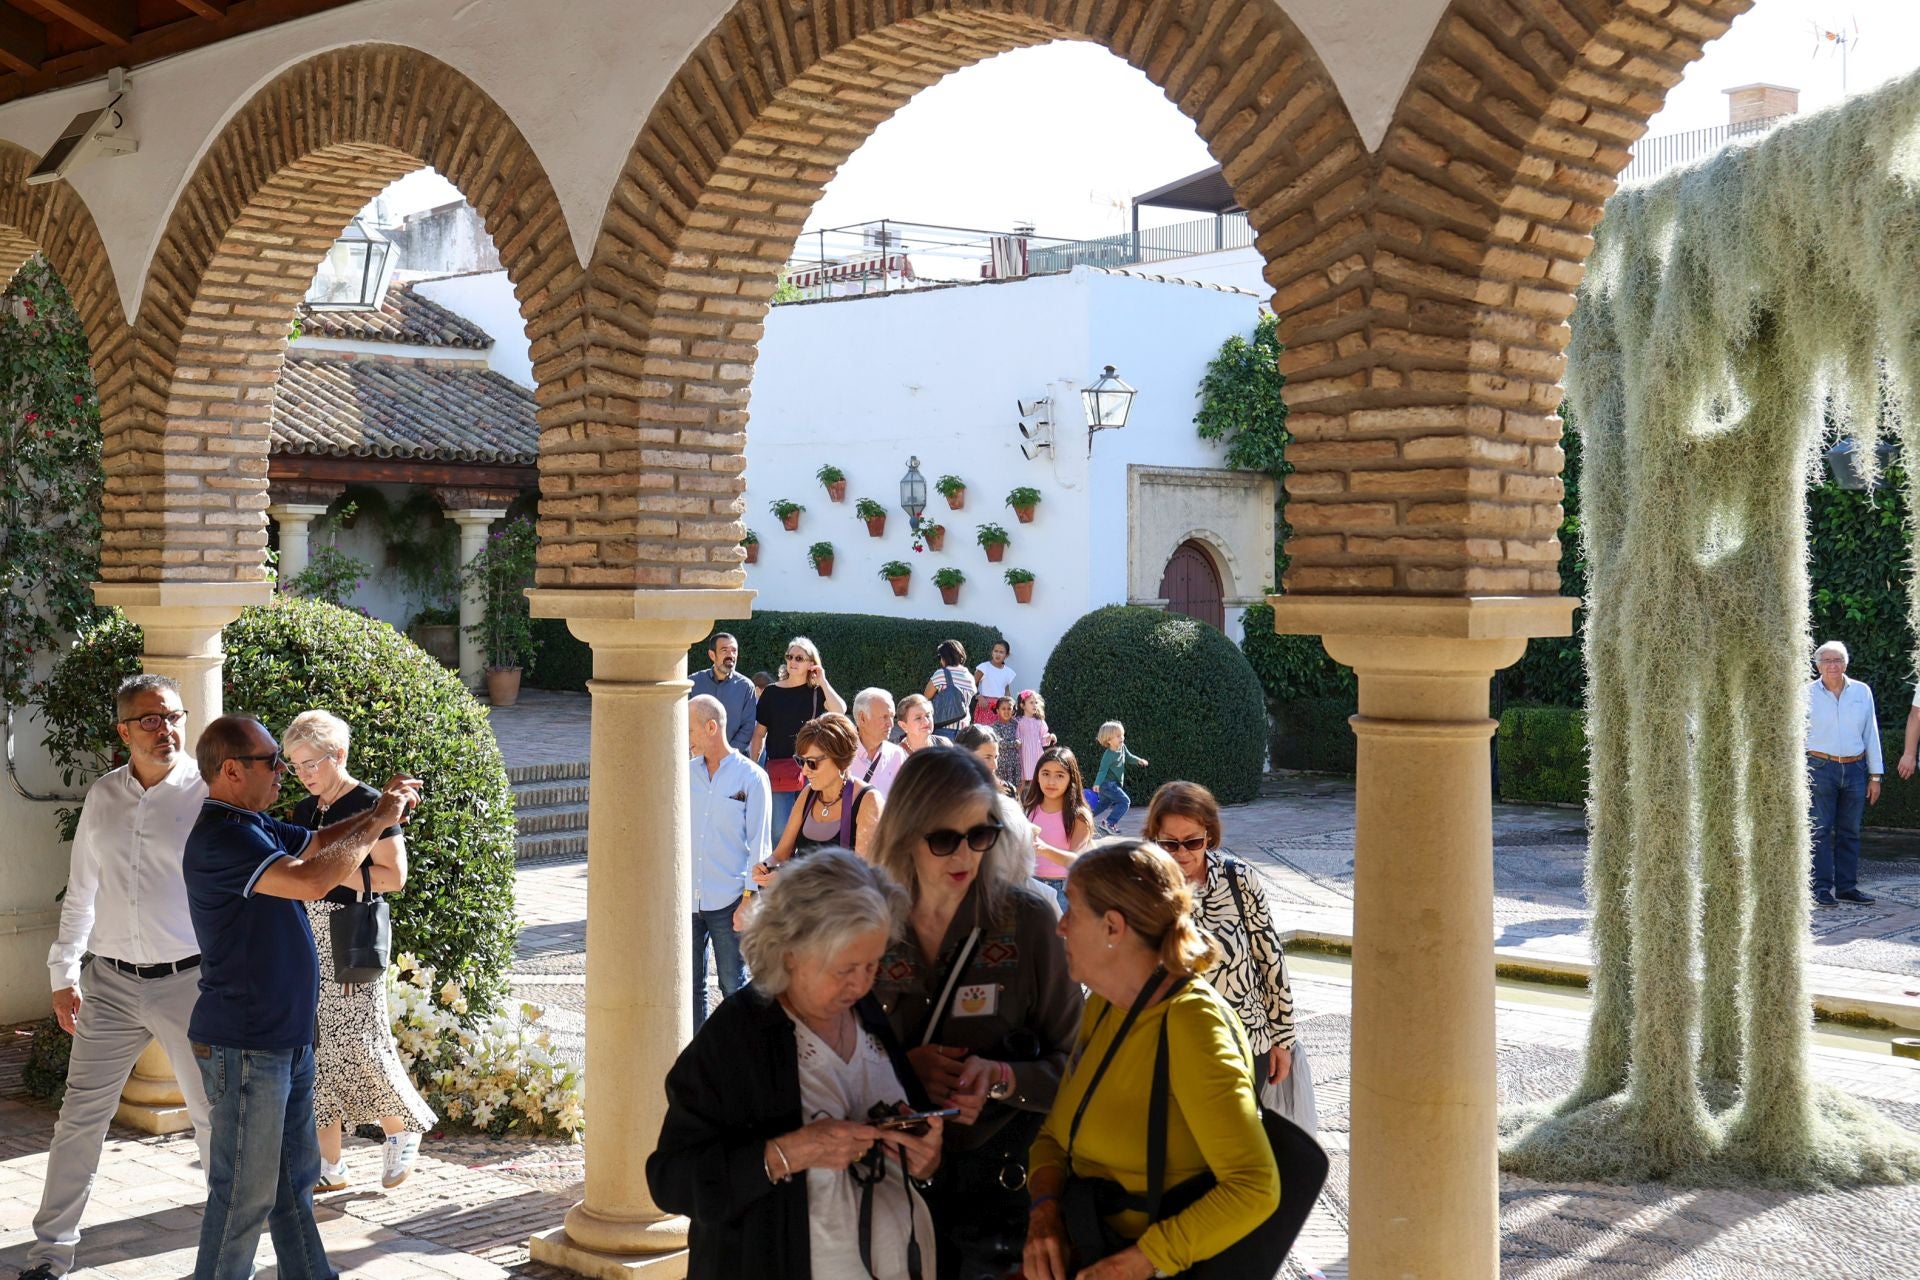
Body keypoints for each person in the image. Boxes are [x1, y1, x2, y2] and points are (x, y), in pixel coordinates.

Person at [182, 714, 420, 1280]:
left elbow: (318, 840)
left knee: (293, 1190)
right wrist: (379, 822)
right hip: (246, 1041)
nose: (284, 772)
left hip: (285, 1038)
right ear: (233, 770)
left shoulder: (255, 822)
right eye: (273, 762)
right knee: (244, 1195)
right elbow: (312, 879)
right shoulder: (224, 835)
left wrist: (376, 812)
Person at [647, 849, 945, 1280]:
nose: (861, 983)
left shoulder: (869, 1015)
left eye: (872, 965)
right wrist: (786, 1154)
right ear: (790, 952)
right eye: (845, 969)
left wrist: (925, 1158)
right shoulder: (739, 1033)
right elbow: (671, 1180)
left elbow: (916, 1147)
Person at [21, 675, 213, 1280]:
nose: (167, 730)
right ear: (124, 730)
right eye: (151, 720)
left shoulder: (208, 794)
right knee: (79, 1118)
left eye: (174, 716)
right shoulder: (103, 796)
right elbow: (82, 890)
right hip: (107, 982)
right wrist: (63, 970)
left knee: (214, 1116)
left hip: (189, 983)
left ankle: (227, 1251)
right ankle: (50, 1254)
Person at [869, 749, 1083, 1280]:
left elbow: (1082, 1070)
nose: (965, 854)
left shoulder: (1030, 921)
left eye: (981, 834)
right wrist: (902, 1071)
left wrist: (1004, 1078)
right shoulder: (865, 925)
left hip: (1001, 1200)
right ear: (904, 835)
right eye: (944, 839)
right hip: (887, 1189)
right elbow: (820, 1059)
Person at [1024, 841, 1280, 1280]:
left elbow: (1255, 1187)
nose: (1061, 926)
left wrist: (1138, 1263)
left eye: (1073, 911)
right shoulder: (1105, 1004)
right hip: (1088, 1245)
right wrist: (1044, 1211)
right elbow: (1055, 1136)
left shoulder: (1192, 1024)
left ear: (1113, 927)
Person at [282, 711, 436, 1196]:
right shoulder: (305, 811)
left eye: (311, 763)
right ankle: (329, 1164)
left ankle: (401, 1126)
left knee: (361, 1041)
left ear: (339, 756)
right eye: (294, 766)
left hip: (350, 937)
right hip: (307, 936)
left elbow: (394, 877)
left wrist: (326, 870)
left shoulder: (373, 803)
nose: (303, 774)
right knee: (314, 1049)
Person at [1142, 782, 1297, 1098]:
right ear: (1154, 839)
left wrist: (1283, 1037)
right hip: (1171, 1046)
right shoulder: (1142, 888)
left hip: (1245, 1041)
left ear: (1209, 836)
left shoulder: (1239, 879)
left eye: (1193, 841)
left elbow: (1269, 956)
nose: (1182, 852)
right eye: (1170, 844)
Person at [688, 694, 772, 1030]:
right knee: (689, 988)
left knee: (732, 986)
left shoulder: (751, 777)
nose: (686, 738)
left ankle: (740, 1057)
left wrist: (749, 900)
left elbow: (760, 844)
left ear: (711, 727)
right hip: (688, 900)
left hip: (730, 901)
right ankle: (695, 1057)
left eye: (690, 729)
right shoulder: (683, 773)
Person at [759, 713, 883, 877]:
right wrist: (767, 866)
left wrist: (791, 879)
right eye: (801, 761)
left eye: (811, 762)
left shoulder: (868, 800)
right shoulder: (808, 794)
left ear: (838, 758)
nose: (804, 770)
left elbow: (861, 877)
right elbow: (780, 855)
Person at [1806, 640, 1881, 907]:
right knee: (1820, 830)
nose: (1833, 665)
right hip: (1820, 768)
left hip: (1855, 769)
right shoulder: (1805, 694)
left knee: (1850, 831)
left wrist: (1875, 775)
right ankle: (1821, 888)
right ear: (1818, 666)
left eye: (1838, 660)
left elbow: (1870, 733)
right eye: (1827, 660)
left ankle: (1847, 887)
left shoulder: (1862, 691)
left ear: (1845, 664)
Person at [754, 638, 847, 838]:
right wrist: (754, 766)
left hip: (812, 767)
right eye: (789, 657)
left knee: (808, 824)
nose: (792, 662)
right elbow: (759, 734)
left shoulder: (816, 691)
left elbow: (840, 711)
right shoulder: (771, 693)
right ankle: (780, 868)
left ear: (810, 663)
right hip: (779, 768)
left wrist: (822, 680)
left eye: (799, 658)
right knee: (780, 829)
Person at [1022, 746, 1094, 912]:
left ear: (1071, 779)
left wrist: (1044, 849)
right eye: (1045, 773)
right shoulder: (1029, 809)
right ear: (1037, 777)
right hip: (1030, 884)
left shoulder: (1079, 816)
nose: (1051, 781)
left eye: (1060, 775)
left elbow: (1077, 861)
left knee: (1060, 938)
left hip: (1063, 890)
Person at [691, 631, 758, 755]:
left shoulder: (746, 687)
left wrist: (726, 754)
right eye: (724, 650)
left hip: (732, 760)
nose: (730, 655)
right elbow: (684, 722)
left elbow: (748, 727)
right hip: (697, 760)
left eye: (734, 650)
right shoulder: (693, 683)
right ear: (712, 655)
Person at [1089, 721, 1149, 835]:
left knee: (1103, 804)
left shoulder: (1122, 748)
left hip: (1113, 784)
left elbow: (1129, 757)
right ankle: (1109, 823)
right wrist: (1097, 783)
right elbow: (1102, 770)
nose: (1121, 738)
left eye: (1122, 735)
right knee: (1125, 801)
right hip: (1107, 784)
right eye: (1118, 736)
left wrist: (1139, 760)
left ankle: (1084, 818)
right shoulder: (1108, 755)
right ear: (1109, 740)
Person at [850, 687, 909, 796]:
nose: (891, 724)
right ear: (862, 718)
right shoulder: (840, 755)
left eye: (892, 717)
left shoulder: (897, 755)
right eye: (884, 717)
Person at [925, 640, 977, 742]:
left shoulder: (941, 674)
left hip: (942, 727)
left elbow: (925, 697)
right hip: (964, 731)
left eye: (940, 656)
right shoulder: (969, 676)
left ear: (945, 657)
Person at [954, 723, 1018, 798]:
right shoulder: (948, 794)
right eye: (987, 757)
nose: (995, 766)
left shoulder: (1008, 792)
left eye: (996, 757)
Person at [1014, 689, 1055, 783]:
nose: (1035, 705)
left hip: (1036, 753)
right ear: (1022, 705)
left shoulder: (1039, 721)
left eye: (1036, 702)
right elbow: (1016, 736)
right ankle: (1019, 797)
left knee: (1036, 779)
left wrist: (1050, 736)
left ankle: (1035, 797)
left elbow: (1043, 737)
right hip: (1024, 753)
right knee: (1022, 781)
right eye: (1031, 702)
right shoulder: (1018, 721)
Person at [972, 640, 1017, 724]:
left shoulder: (1008, 672)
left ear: (1006, 655)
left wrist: (1011, 706)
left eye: (1001, 652)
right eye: (996, 651)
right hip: (984, 706)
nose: (998, 654)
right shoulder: (984, 667)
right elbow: (971, 684)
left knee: (997, 735)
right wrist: (979, 696)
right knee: (983, 735)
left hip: (1000, 709)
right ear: (992, 652)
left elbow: (1006, 691)